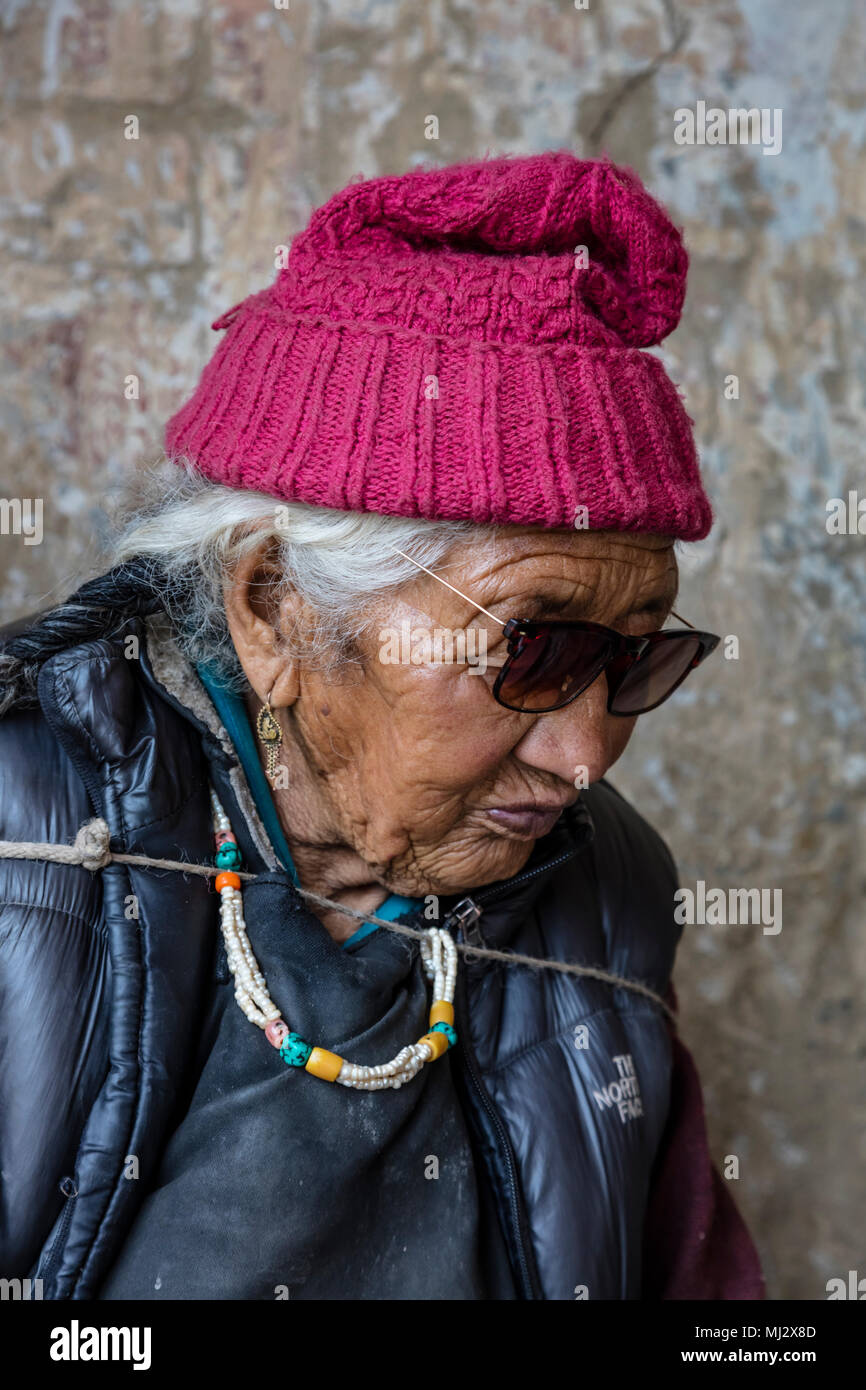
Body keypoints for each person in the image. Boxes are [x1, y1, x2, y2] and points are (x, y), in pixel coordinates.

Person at [0, 150, 764, 1300]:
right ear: (274, 610)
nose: (587, 752)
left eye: (636, 656)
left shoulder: (601, 886)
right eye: (532, 647)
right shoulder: (26, 847)